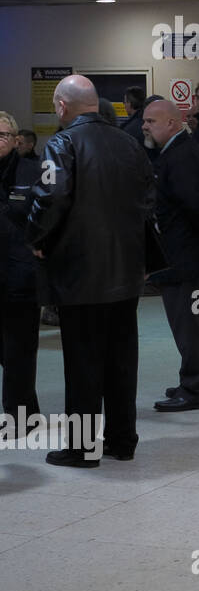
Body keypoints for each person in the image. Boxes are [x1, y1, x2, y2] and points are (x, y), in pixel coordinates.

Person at [27, 75, 155, 466]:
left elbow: (50, 195)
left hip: (81, 273)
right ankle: (122, 439)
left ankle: (82, 448)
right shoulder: (130, 143)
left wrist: (35, 235)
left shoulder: (62, 143)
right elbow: (149, 198)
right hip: (127, 272)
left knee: (83, 361)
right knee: (121, 359)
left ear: (62, 106)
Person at [142, 99, 199, 412]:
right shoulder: (177, 152)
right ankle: (190, 380)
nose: (145, 126)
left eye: (151, 121)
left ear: (172, 123)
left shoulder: (181, 155)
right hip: (182, 259)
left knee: (191, 327)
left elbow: (196, 205)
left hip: (188, 260)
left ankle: (196, 388)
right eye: (145, 121)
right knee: (186, 325)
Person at [0, 111, 41, 428]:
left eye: (2, 136)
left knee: (19, 349)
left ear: (16, 141)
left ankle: (21, 415)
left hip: (21, 275)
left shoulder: (33, 171)